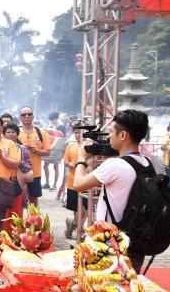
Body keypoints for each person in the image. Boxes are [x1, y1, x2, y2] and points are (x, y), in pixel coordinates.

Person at [71, 109, 152, 272]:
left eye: (111, 132)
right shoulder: (147, 163)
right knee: (127, 288)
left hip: (109, 243)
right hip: (134, 241)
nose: (108, 137)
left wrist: (81, 159)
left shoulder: (114, 165)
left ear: (123, 136)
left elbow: (78, 184)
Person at [17, 106, 50, 199]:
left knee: (33, 200)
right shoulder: (15, 132)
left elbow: (48, 152)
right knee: (18, 200)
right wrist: (21, 148)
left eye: (29, 114)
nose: (27, 116)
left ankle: (34, 215)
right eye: (24, 115)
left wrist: (37, 151)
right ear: (20, 118)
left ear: (33, 116)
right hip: (19, 172)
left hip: (35, 173)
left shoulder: (41, 132)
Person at [61, 130, 85, 239]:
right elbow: (65, 160)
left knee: (84, 205)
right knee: (76, 207)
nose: (77, 135)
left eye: (79, 132)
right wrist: (68, 164)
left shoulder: (89, 146)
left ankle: (74, 225)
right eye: (75, 133)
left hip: (86, 180)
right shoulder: (71, 146)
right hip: (72, 181)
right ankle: (77, 226)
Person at [43, 112, 67, 191]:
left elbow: (63, 137)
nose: (52, 121)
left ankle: (54, 185)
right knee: (45, 165)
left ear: (56, 119)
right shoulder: (51, 126)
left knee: (55, 166)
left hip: (58, 148)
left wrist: (53, 132)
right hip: (51, 147)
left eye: (53, 120)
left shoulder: (62, 126)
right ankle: (47, 183)